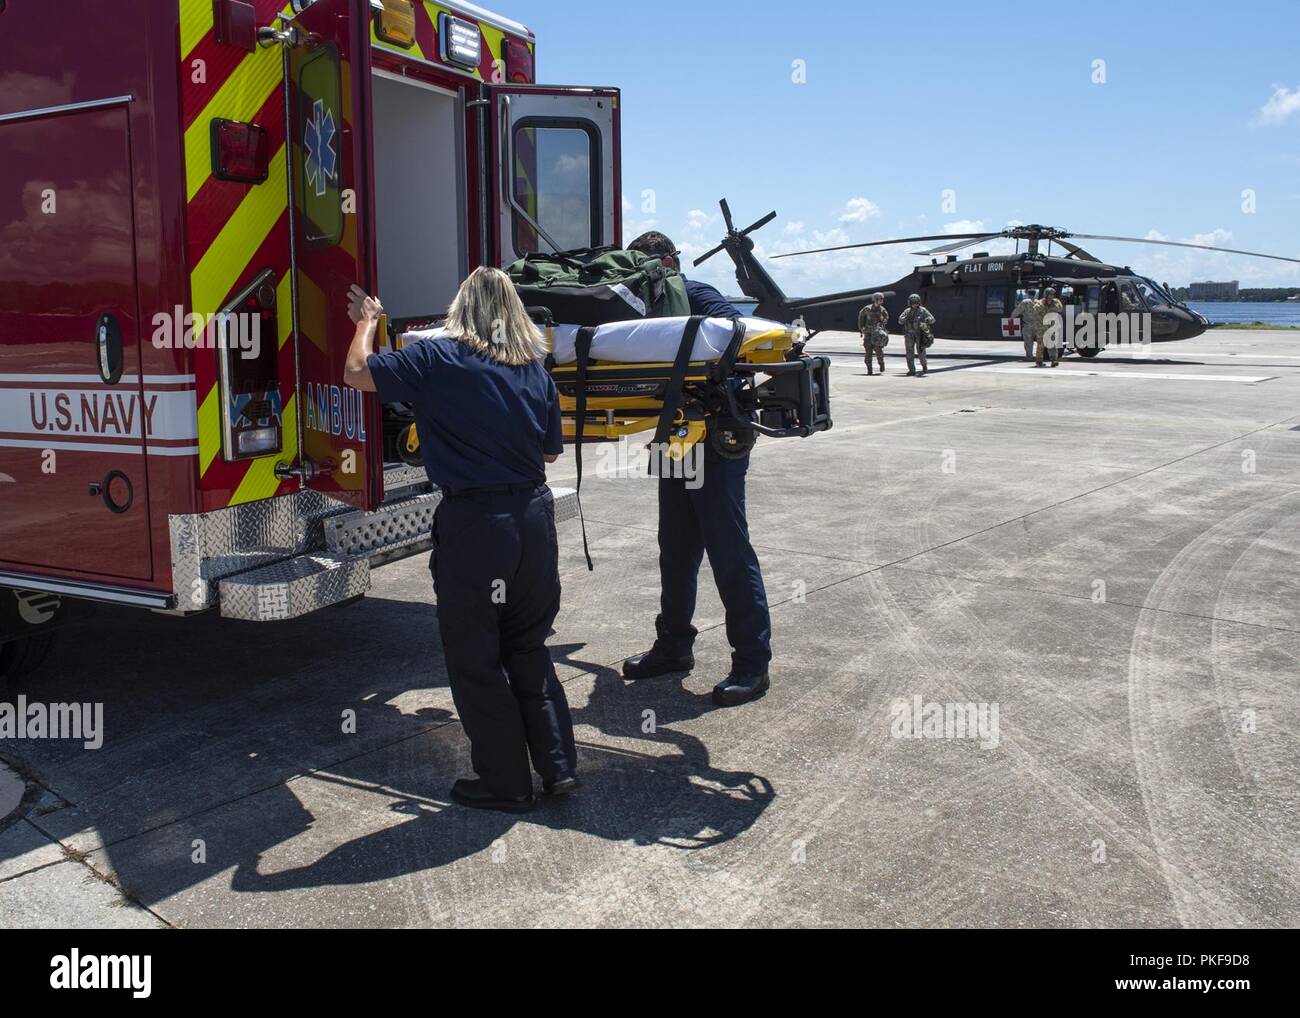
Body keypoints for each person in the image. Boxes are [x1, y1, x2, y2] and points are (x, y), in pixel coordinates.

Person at [343, 268, 578, 814]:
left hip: (478, 524)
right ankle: (558, 766)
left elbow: (357, 374)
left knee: (476, 655)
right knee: (526, 645)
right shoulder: (534, 369)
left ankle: (505, 782)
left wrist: (368, 324)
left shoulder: (437, 358)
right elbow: (548, 453)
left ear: (461, 310)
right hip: (533, 520)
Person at [619, 230, 772, 708]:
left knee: (728, 550)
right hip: (671, 438)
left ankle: (752, 663)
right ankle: (673, 648)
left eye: (650, 265)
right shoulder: (636, 306)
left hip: (715, 437)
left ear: (668, 261)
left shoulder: (698, 294)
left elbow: (736, 339)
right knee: (676, 549)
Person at [898, 293, 935, 376]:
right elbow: (900, 320)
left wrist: (927, 320)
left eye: (915, 302)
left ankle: (924, 366)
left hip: (920, 334)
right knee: (909, 353)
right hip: (909, 335)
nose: (914, 304)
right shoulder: (907, 311)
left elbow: (932, 319)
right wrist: (905, 318)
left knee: (921, 352)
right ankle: (912, 370)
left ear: (918, 302)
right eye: (912, 302)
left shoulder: (923, 310)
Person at [858, 293, 889, 375]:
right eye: (880, 299)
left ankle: (881, 363)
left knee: (879, 351)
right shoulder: (867, 309)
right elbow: (861, 317)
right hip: (868, 333)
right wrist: (861, 327)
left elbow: (886, 318)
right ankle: (869, 369)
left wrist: (883, 320)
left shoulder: (882, 309)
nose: (882, 300)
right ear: (875, 299)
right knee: (868, 352)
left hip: (877, 334)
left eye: (882, 299)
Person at [1035, 286, 1064, 367]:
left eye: (1052, 294)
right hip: (1042, 327)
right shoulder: (1040, 303)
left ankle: (1054, 360)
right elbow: (1036, 310)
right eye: (1050, 295)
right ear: (1046, 295)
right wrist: (1043, 304)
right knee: (1040, 345)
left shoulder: (1056, 302)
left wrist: (1051, 304)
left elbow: (1060, 309)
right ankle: (1039, 361)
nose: (1051, 296)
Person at [1011, 288, 1038, 362]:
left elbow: (1018, 310)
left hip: (1028, 325)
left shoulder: (1025, 302)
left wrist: (1012, 317)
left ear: (1028, 294)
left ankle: (1029, 357)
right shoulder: (1038, 302)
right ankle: (1039, 357)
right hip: (1037, 325)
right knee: (1039, 342)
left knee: (1028, 342)